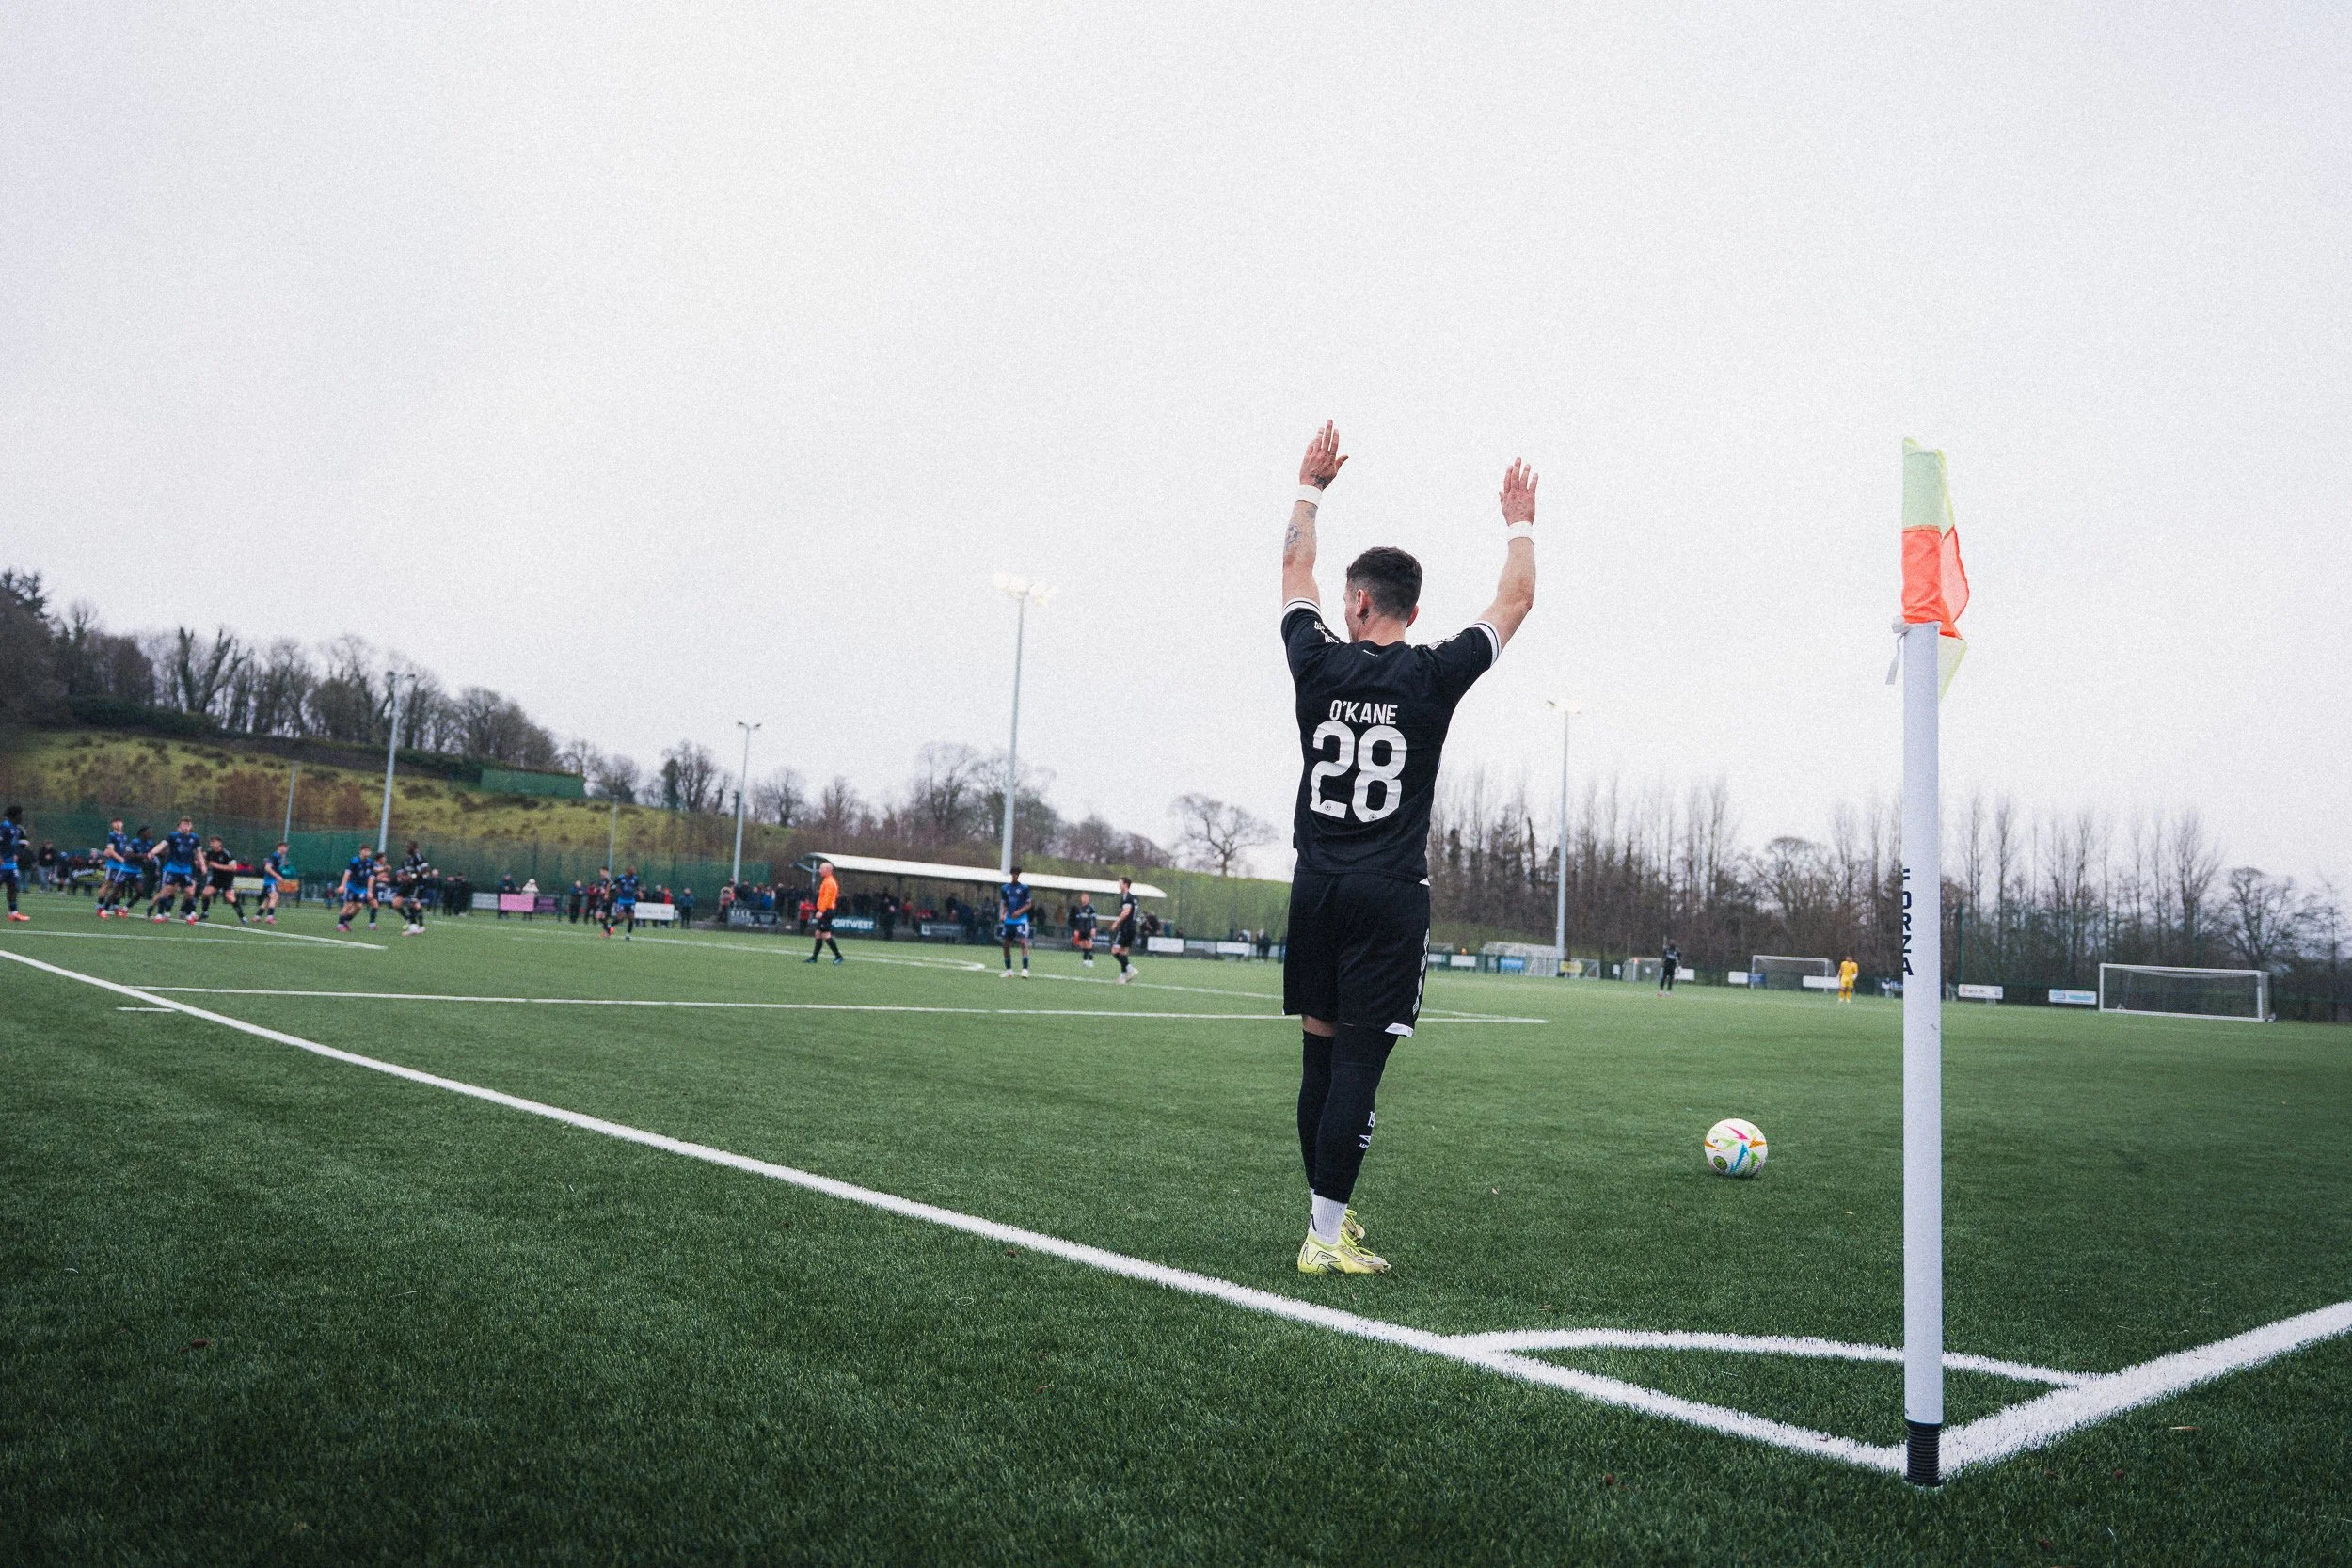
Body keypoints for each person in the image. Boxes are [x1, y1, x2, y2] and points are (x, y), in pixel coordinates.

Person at [1278, 420, 1536, 1276]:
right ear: (1413, 611)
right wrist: (1518, 521)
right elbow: (1515, 603)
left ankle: (1323, 1221)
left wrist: (1310, 487)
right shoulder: (1431, 672)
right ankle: (1324, 1232)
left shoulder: (1314, 659)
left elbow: (1293, 570)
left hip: (1315, 887)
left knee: (1321, 1051)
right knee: (1357, 1060)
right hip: (1388, 894)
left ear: (1356, 604)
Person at [149, 817, 207, 924]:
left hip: (186, 869)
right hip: (172, 868)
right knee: (166, 892)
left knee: (190, 892)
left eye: (188, 824)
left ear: (191, 826)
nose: (186, 826)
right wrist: (152, 852)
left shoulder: (195, 838)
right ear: (179, 825)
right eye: (184, 824)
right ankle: (159, 914)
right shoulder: (173, 836)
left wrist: (203, 865)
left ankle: (189, 916)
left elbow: (199, 853)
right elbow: (162, 845)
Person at [998, 866, 1034, 978]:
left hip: (1021, 920)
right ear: (1011, 874)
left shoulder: (1024, 888)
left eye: (1017, 874)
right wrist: (1002, 914)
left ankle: (1025, 970)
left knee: (1023, 942)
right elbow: (1005, 904)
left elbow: (1029, 904)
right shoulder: (1005, 888)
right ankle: (1009, 971)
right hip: (1009, 920)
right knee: (1006, 945)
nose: (1015, 875)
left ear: (1019, 875)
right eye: (1013, 873)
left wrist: (1019, 912)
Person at [804, 861, 844, 964]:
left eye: (821, 869)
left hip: (826, 911)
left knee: (826, 934)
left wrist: (821, 911)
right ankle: (814, 958)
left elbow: (827, 898)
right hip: (824, 910)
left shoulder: (830, 882)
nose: (819, 870)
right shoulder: (826, 881)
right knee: (818, 934)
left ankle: (838, 956)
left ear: (828, 870)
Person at [199, 834, 245, 923]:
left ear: (219, 843)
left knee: (230, 898)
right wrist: (202, 862)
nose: (211, 844)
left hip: (227, 879)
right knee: (205, 893)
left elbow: (234, 867)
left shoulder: (226, 854)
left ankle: (242, 917)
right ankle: (205, 912)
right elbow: (204, 860)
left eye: (214, 842)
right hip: (216, 879)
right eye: (210, 842)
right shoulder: (209, 852)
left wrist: (217, 866)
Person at [95, 818, 134, 918]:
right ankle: (100, 907)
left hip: (122, 866)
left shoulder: (124, 836)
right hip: (113, 865)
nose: (117, 824)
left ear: (122, 824)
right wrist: (121, 859)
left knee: (119, 886)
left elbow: (124, 849)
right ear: (112, 825)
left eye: (119, 822)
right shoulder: (111, 835)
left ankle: (115, 907)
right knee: (107, 885)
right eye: (115, 822)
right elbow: (110, 851)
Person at [335, 845, 376, 933]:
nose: (367, 852)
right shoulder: (355, 861)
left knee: (359, 906)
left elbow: (371, 878)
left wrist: (369, 891)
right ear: (360, 851)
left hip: (361, 889)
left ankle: (346, 921)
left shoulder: (370, 863)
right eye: (365, 850)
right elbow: (347, 873)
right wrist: (343, 885)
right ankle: (340, 925)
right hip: (351, 887)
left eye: (368, 851)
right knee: (348, 905)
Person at [1109, 876, 1141, 984]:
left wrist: (1116, 922)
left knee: (1114, 951)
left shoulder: (1127, 897)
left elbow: (1126, 912)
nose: (1119, 885)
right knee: (1123, 953)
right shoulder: (1134, 897)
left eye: (1120, 883)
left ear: (1125, 884)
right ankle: (1122, 977)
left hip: (1126, 928)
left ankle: (1130, 969)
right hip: (1132, 928)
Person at [0, 806, 28, 922]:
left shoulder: (16, 829)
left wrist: (16, 855)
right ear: (15, 815)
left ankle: (13, 913)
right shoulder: (5, 827)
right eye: (20, 814)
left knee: (13, 888)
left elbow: (17, 844)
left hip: (11, 864)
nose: (22, 817)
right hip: (2, 864)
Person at [398, 842, 432, 935]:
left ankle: (413, 928)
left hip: (420, 884)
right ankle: (419, 926)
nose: (407, 849)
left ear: (414, 848)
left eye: (408, 847)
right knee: (414, 903)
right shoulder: (413, 858)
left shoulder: (418, 856)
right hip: (416, 884)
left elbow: (425, 868)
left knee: (412, 904)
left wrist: (414, 876)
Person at [259, 842, 294, 925]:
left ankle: (257, 916)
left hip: (270, 881)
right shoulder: (275, 856)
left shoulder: (278, 857)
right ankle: (269, 917)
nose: (287, 849)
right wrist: (277, 876)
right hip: (270, 881)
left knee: (268, 900)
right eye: (286, 847)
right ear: (280, 847)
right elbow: (267, 868)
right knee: (274, 897)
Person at [604, 864, 641, 940]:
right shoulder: (620, 877)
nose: (634, 871)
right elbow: (609, 884)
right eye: (633, 869)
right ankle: (609, 925)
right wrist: (606, 894)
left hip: (631, 901)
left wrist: (639, 893)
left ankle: (627, 935)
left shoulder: (635, 879)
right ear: (628, 871)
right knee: (621, 918)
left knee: (631, 918)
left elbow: (636, 888)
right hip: (622, 900)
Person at [1070, 891, 1099, 968]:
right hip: (1081, 930)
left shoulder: (1091, 908)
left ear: (1088, 899)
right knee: (1083, 945)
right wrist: (1076, 930)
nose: (1084, 899)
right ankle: (1085, 962)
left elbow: (1093, 919)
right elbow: (1077, 920)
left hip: (1088, 930)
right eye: (1083, 897)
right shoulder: (1079, 908)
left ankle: (1091, 962)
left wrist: (1093, 928)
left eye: (1085, 897)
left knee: (1089, 945)